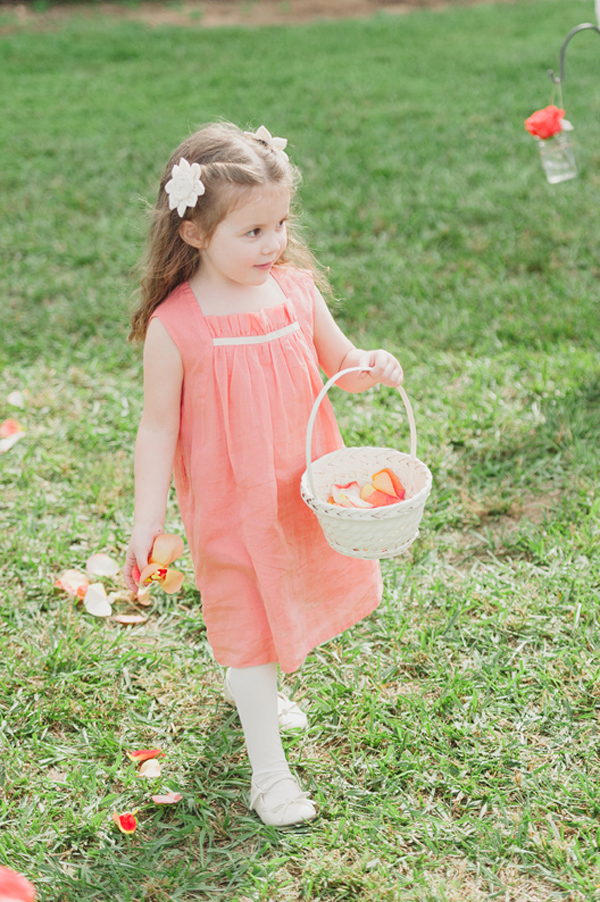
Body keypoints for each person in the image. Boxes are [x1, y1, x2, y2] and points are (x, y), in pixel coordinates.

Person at [124, 122, 403, 827]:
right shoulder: (176, 326)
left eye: (279, 224)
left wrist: (372, 363)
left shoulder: (296, 293)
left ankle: (257, 684)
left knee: (284, 593)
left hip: (299, 489)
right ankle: (268, 774)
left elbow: (343, 365)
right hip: (227, 501)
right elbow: (157, 427)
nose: (273, 243)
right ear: (193, 234)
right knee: (247, 613)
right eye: (251, 232)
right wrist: (147, 520)